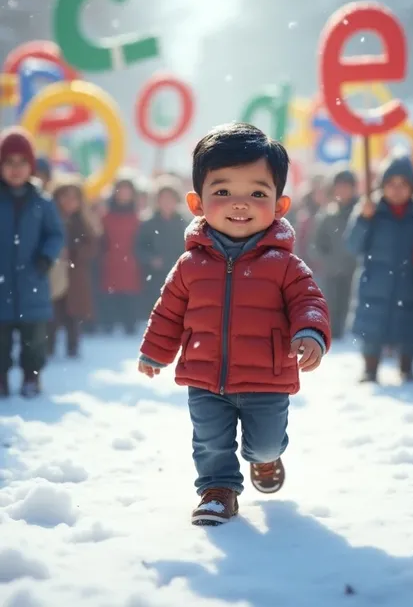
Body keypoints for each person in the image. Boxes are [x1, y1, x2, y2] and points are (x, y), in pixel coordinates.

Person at [138, 123, 331, 526]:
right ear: (197, 202)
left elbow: (308, 301)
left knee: (263, 442)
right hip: (205, 376)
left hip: (267, 378)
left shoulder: (285, 265)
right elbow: (169, 311)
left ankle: (266, 459)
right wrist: (156, 351)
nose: (239, 203)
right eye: (223, 191)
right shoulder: (190, 265)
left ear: (279, 205)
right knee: (209, 442)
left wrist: (310, 332)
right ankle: (217, 490)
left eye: (257, 193)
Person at [345, 154, 413, 384]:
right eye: (391, 184)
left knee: (408, 325)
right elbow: (352, 245)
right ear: (382, 186)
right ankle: (370, 368)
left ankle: (407, 366)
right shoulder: (370, 211)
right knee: (373, 328)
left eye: (403, 184)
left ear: (412, 186)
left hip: (409, 281)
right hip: (376, 282)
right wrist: (363, 219)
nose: (397, 190)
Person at [0, 128, 64, 397]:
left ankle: (31, 376)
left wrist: (46, 256)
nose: (15, 169)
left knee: (34, 340)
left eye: (22, 163)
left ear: (31, 166)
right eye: (9, 163)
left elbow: (56, 234)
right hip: (1, 285)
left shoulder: (42, 201)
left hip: (32, 282)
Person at [49, 177, 99, 357]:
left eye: (74, 198)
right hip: (52, 272)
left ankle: (73, 347)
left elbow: (92, 246)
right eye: (65, 197)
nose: (69, 202)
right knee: (52, 313)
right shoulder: (50, 217)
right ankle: (49, 346)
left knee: (73, 315)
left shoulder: (83, 221)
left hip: (75, 274)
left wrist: (74, 253)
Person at [313, 167, 358, 339]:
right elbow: (316, 244)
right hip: (332, 272)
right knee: (331, 305)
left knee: (350, 305)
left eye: (347, 186)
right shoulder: (327, 214)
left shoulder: (361, 211)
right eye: (339, 186)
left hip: (354, 270)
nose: (343, 190)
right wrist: (328, 262)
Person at [136, 174, 187, 317]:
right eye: (163, 198)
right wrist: (150, 259)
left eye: (170, 198)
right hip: (154, 275)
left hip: (179, 274)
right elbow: (140, 247)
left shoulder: (184, 222)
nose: (167, 202)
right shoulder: (148, 223)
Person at [100, 177, 142, 334]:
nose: (124, 194)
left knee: (129, 296)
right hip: (110, 261)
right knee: (109, 295)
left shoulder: (138, 218)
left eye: (127, 191)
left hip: (131, 263)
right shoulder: (106, 217)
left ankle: (129, 324)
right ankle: (108, 324)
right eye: (121, 190)